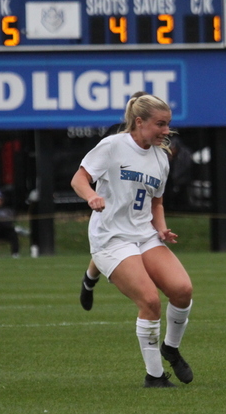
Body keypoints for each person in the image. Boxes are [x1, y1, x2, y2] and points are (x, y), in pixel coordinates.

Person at [71, 92, 194, 388]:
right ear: (139, 122)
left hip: (144, 234)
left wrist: (161, 229)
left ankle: (171, 348)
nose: (166, 131)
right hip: (111, 237)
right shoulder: (113, 146)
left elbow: (156, 203)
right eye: (160, 125)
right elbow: (79, 179)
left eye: (168, 124)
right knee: (150, 300)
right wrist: (92, 196)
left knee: (182, 290)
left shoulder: (161, 157)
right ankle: (154, 377)